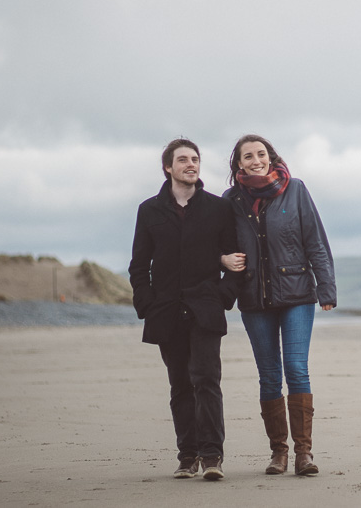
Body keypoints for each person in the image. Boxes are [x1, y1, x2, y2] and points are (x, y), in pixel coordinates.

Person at [221, 134, 337, 476]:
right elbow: (215, 242)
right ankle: (278, 453)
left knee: (296, 369)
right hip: (254, 299)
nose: (255, 160)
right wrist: (222, 258)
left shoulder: (296, 189)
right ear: (238, 163)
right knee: (269, 376)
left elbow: (315, 240)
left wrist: (326, 288)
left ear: (270, 157)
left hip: (298, 294)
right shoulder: (231, 200)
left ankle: (304, 454)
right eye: (248, 156)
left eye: (260, 154)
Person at [129, 138, 241, 481]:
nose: (191, 164)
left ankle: (212, 457)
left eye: (195, 159)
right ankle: (187, 455)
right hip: (165, 309)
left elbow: (236, 261)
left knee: (207, 380)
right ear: (168, 167)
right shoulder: (149, 210)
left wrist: (222, 296)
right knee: (179, 384)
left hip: (205, 308)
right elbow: (139, 265)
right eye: (183, 160)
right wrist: (146, 303)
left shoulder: (217, 209)